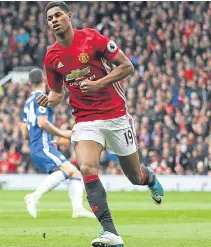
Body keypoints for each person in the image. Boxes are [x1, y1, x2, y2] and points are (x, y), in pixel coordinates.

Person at [38, 2, 164, 246]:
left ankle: (149, 178)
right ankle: (111, 233)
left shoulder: (92, 39)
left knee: (134, 176)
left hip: (115, 115)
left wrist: (99, 84)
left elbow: (127, 66)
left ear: (69, 16)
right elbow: (58, 93)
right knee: (86, 167)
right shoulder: (52, 57)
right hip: (85, 120)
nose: (54, 20)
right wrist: (49, 100)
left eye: (58, 15)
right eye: (50, 17)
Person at [22, 68, 95, 219]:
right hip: (42, 146)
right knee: (69, 170)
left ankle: (78, 209)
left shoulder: (27, 102)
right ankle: (34, 196)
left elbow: (25, 132)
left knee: (74, 172)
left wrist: (47, 139)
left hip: (38, 146)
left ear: (30, 83)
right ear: (44, 79)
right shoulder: (42, 98)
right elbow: (42, 122)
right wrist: (62, 134)